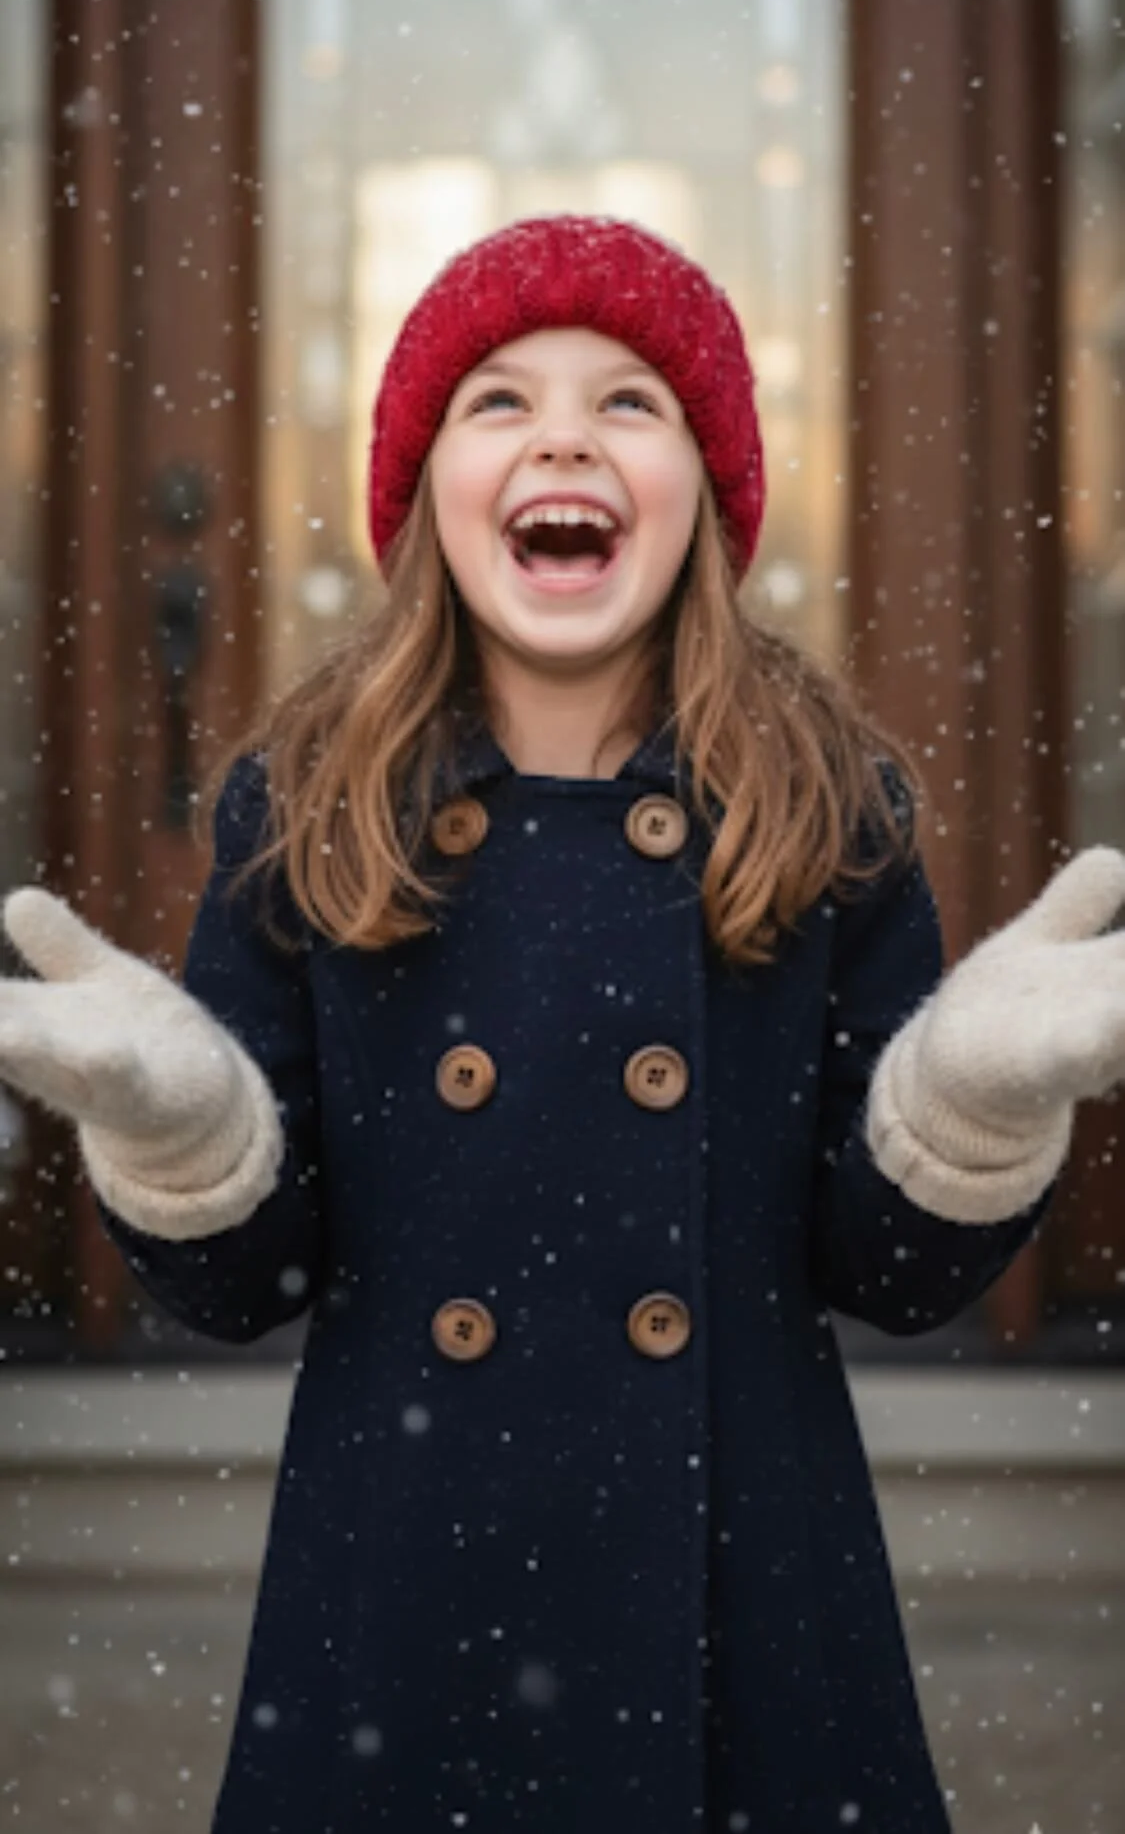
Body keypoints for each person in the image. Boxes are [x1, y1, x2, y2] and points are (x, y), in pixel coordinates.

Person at [1, 213, 1123, 1834]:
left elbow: (888, 1273)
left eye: (629, 402)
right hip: (400, 1603)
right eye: (501, 402)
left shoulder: (824, 807)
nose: (565, 439)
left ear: (707, 496)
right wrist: (181, 1138)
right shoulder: (306, 806)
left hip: (745, 1600)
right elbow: (242, 1290)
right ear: (426, 494)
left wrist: (970, 1115)